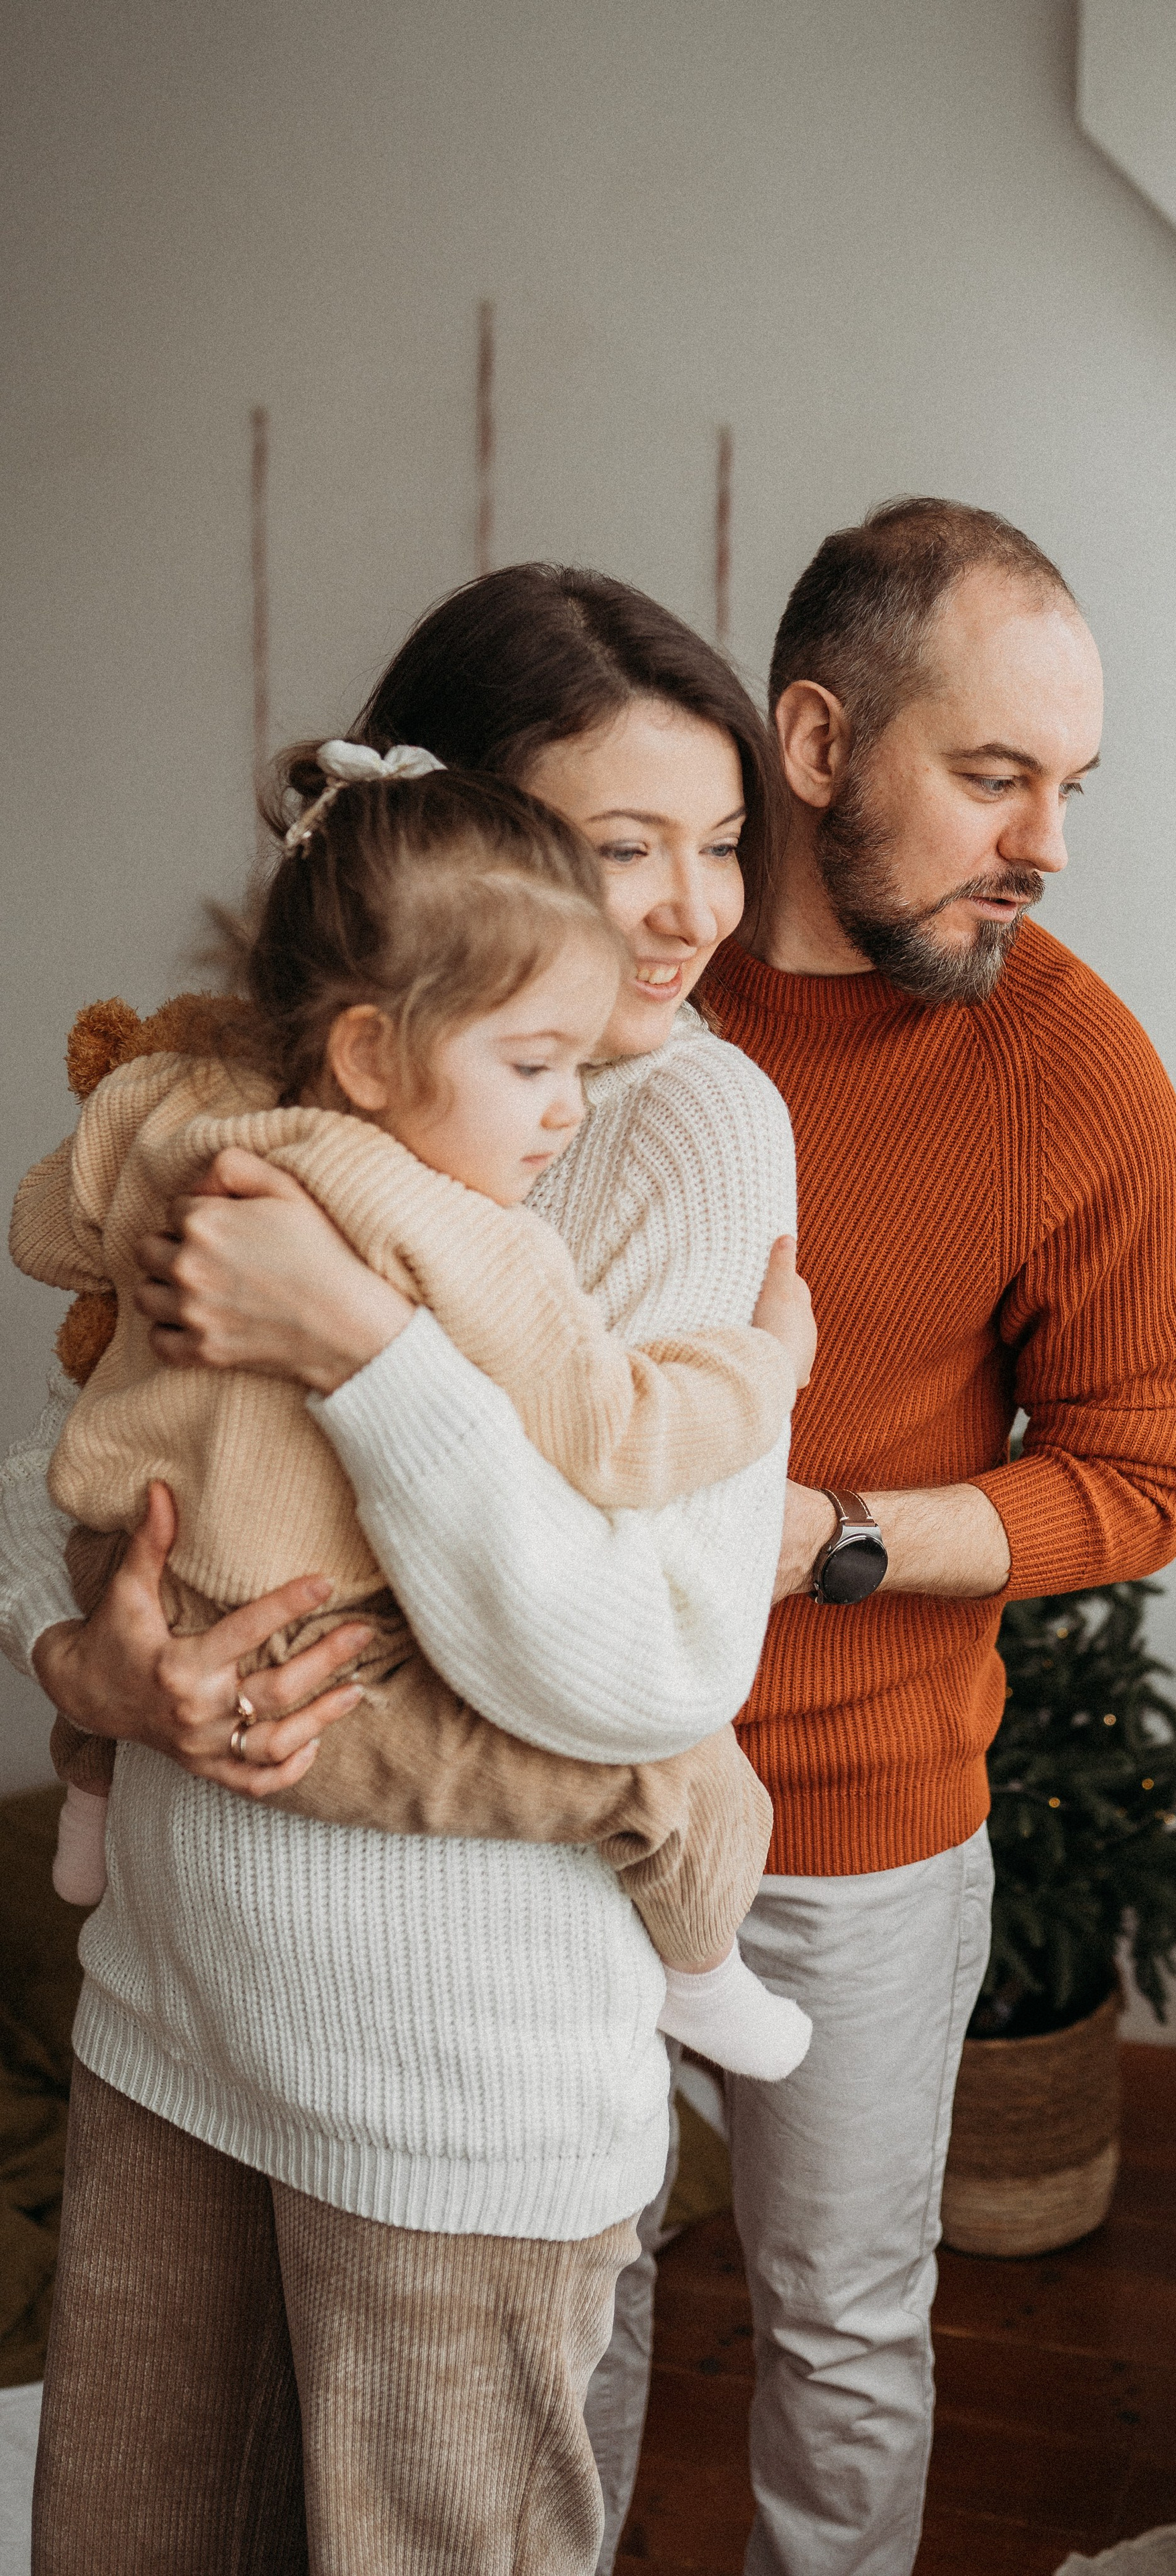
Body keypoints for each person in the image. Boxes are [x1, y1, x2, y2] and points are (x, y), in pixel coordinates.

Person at [85, 502, 1176, 2576]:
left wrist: (837, 1538)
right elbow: (176, 1427)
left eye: (1069, 789)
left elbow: (1149, 1464)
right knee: (579, 2333)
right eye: (996, 778)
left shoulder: (1053, 1070)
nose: (1046, 843)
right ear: (818, 741)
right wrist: (88, 1653)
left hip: (852, 1807)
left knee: (842, 2327)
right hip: (502, 1835)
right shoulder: (497, 1033)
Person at [0, 568, 812, 2573]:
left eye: (722, 845)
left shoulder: (695, 1130)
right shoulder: (265, 1074)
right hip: (171, 2017)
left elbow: (645, 1669)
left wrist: (359, 1347)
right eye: (624, 849)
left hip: (452, 2092)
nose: (694, 909)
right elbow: (77, 1448)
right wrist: (82, 1664)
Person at [13, 741, 815, 2082]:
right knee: (676, 1780)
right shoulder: (457, 1225)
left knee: (120, 1600)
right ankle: (701, 1964)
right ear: (377, 1051)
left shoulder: (181, 1103)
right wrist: (767, 1368)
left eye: (725, 841)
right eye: (533, 1066)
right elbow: (612, 1429)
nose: (563, 1112)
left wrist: (146, 1188)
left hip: (128, 1563)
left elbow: (48, 1227)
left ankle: (85, 1800)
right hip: (306, 1665)